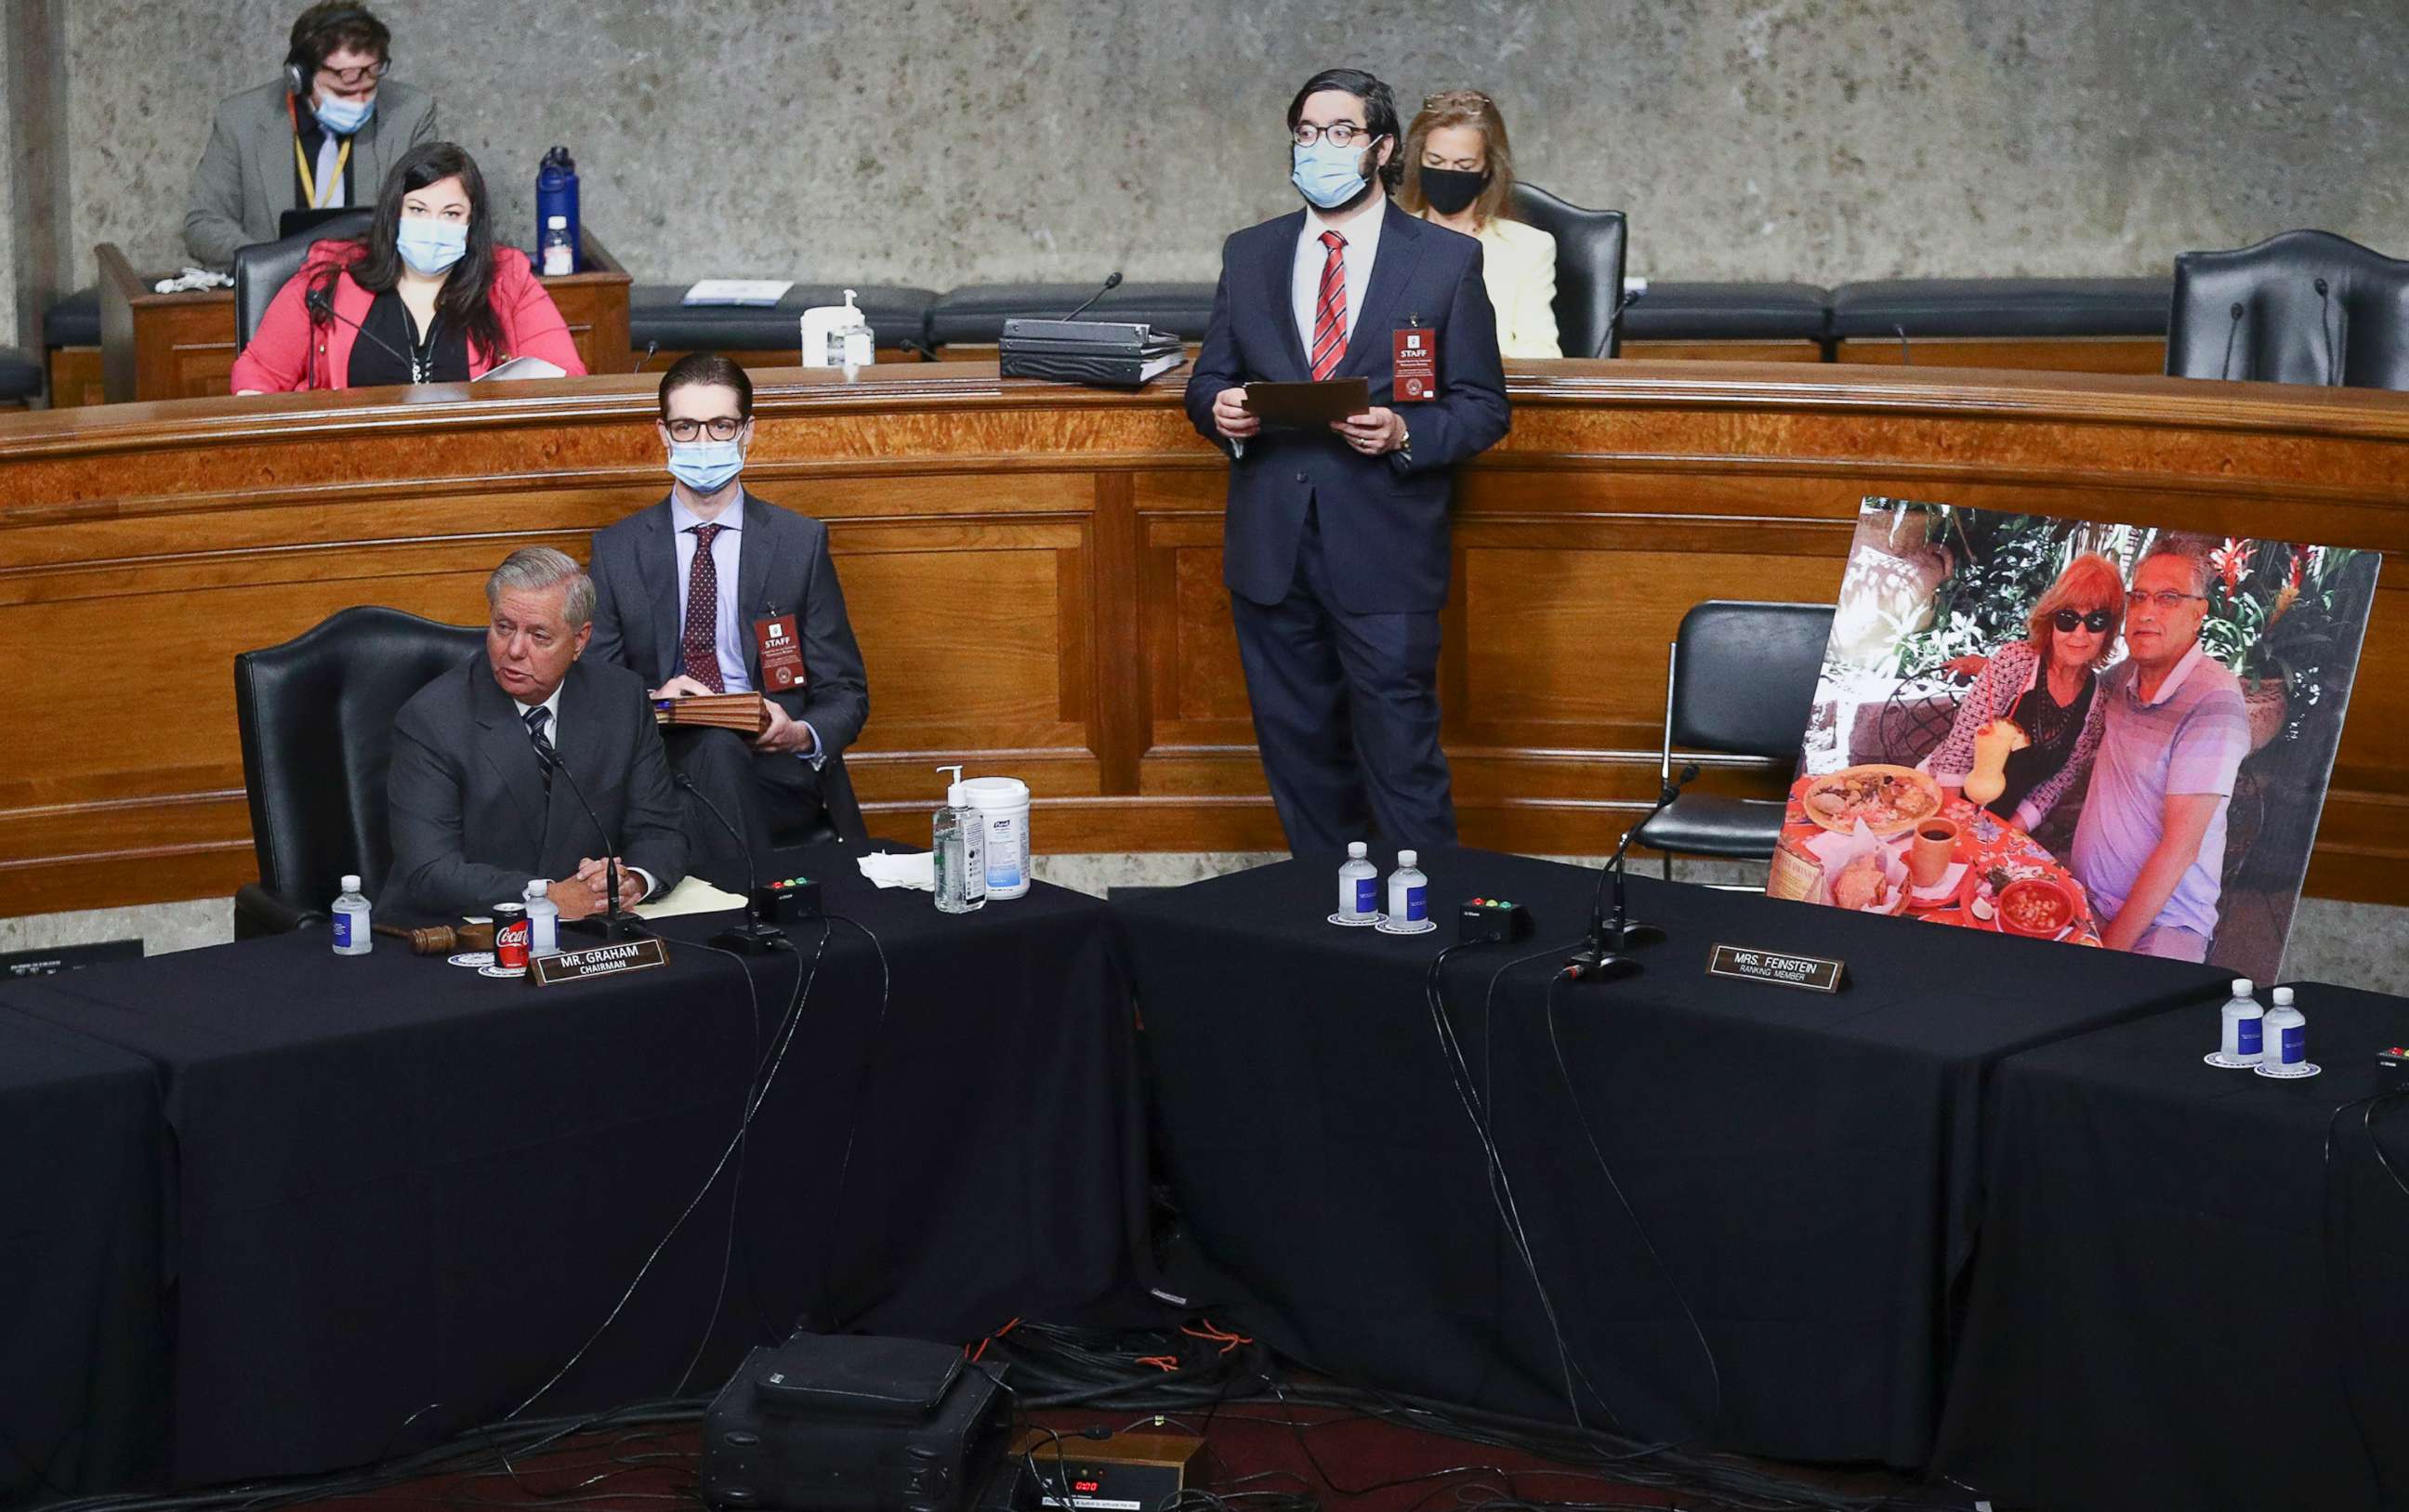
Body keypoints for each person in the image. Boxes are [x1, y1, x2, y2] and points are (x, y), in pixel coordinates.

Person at [1185, 67, 1510, 854]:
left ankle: (1426, 942)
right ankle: (1326, 932)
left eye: (1339, 133)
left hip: (1384, 547)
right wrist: (1220, 411)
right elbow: (1208, 379)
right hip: (1272, 550)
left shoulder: (1442, 262)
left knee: (1401, 759)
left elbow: (1483, 406)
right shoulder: (1252, 252)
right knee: (1301, 758)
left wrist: (1405, 434)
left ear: (1382, 148)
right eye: (1305, 133)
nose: (1318, 148)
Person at [586, 354, 872, 889]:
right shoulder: (618, 550)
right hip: (658, 759)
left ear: (748, 433)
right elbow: (594, 693)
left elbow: (847, 692)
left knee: (717, 752)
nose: (703, 442)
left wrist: (798, 733)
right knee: (706, 751)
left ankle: (711, 912)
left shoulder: (797, 544)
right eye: (686, 427)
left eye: (720, 426)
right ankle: (760, 915)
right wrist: (654, 702)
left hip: (770, 766)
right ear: (662, 434)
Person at [386, 546, 688, 919]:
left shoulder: (622, 700)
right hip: (456, 933)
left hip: (589, 931)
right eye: (503, 627)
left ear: (579, 640)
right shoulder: (431, 719)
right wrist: (549, 897)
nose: (514, 650)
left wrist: (632, 882)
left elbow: (660, 830)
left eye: (539, 636)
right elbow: (430, 872)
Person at [230, 140, 586, 393]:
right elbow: (257, 374)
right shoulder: (329, 279)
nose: (433, 225)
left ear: (471, 223)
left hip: (471, 478)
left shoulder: (506, 280)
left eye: (451, 214)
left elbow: (566, 377)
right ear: (394, 213)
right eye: (417, 210)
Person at [2071, 543, 2252, 960]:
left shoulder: (2213, 702)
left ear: (2198, 613)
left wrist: (2106, 951)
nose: (2147, 612)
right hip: (2086, 900)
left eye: (2169, 598)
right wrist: (2001, 665)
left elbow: (2180, 849)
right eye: (2138, 597)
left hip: (2164, 926)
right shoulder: (2126, 677)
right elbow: (2065, 676)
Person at [184, 2, 438, 270]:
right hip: (273, 294)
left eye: (369, 88)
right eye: (342, 92)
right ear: (299, 78)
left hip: (374, 290)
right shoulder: (240, 119)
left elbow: (432, 215)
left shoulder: (411, 113)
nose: (360, 101)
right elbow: (203, 225)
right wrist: (277, 262)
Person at [1924, 552, 2123, 831]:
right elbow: (1960, 748)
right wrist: (1950, 829)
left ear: (2108, 631)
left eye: (2096, 621)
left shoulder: (2096, 702)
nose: (2080, 633)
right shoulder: (2016, 661)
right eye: (2068, 618)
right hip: (1943, 801)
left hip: (1995, 825)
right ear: (2051, 618)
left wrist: (2011, 832)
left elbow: (2059, 780)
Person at [1396, 89, 1560, 359]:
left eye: (1463, 165)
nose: (1448, 173)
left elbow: (1542, 352)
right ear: (1418, 160)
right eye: (1435, 161)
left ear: (1487, 168)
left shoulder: (1529, 248)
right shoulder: (1387, 240)